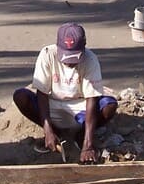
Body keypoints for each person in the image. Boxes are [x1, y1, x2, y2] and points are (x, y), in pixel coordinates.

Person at [13, 22, 118, 164]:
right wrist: (48, 131)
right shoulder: (47, 54)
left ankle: (81, 137)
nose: (69, 63)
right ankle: (55, 133)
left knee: (109, 106)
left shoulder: (91, 60)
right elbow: (42, 94)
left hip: (79, 106)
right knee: (21, 96)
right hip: (53, 103)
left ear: (84, 45)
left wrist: (88, 146)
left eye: (74, 57)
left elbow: (91, 100)